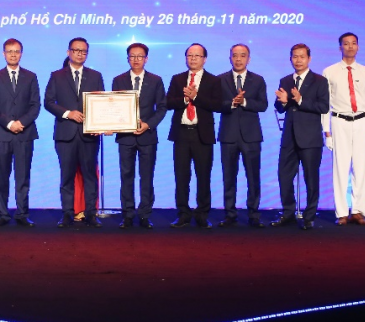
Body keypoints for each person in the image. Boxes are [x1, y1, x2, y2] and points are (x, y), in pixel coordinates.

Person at [44, 37, 104, 228]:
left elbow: (101, 104)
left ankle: (91, 214)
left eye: (84, 51)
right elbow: (48, 102)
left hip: (89, 135)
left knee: (90, 176)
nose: (80, 54)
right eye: (76, 50)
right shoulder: (57, 76)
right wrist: (68, 113)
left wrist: (99, 124)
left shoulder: (95, 76)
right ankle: (67, 213)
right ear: (68, 52)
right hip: (65, 134)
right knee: (67, 176)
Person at [322, 33, 365, 226]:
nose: (350, 47)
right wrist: (327, 132)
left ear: (358, 47)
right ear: (340, 47)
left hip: (361, 121)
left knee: (361, 169)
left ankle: (358, 211)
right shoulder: (329, 71)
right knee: (340, 168)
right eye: (346, 44)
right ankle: (341, 212)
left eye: (354, 43)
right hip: (339, 121)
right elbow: (325, 104)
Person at [272, 44, 329, 230]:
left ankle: (309, 216)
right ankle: (288, 213)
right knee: (284, 176)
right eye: (295, 57)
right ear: (290, 59)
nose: (298, 60)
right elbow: (279, 107)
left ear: (309, 59)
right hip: (289, 137)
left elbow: (323, 107)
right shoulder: (286, 80)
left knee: (311, 179)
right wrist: (282, 102)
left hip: (310, 138)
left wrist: (300, 100)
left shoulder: (319, 81)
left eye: (302, 57)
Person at [111, 43, 167, 229]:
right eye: (132, 56)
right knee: (126, 176)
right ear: (127, 58)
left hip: (147, 136)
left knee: (147, 176)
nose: (136, 59)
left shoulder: (156, 80)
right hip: (125, 137)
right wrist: (111, 125)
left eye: (140, 56)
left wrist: (148, 124)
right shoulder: (118, 80)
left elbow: (162, 107)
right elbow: (114, 107)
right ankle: (127, 214)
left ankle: (144, 215)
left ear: (146, 59)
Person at [166, 43, 222, 229]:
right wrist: (185, 99)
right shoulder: (177, 79)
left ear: (204, 59)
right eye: (190, 55)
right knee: (181, 176)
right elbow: (168, 102)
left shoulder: (213, 80)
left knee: (203, 176)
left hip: (202, 134)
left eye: (197, 56)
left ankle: (202, 214)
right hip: (181, 133)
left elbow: (217, 105)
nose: (193, 58)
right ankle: (183, 214)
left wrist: (196, 98)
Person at [0, 38, 41, 227]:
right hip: (2, 134)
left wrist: (21, 123)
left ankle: (22, 213)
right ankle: (2, 214)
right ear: (4, 54)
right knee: (2, 176)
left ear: (21, 54)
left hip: (25, 134)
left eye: (16, 51)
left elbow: (35, 106)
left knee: (23, 176)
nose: (13, 54)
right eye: (9, 51)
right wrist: (9, 123)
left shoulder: (31, 77)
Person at [217, 43, 268, 227]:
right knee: (228, 177)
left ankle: (254, 214)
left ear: (249, 59)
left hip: (251, 136)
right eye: (235, 55)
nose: (238, 59)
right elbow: (216, 104)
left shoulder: (258, 80)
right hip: (228, 135)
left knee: (253, 177)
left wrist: (244, 102)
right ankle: (230, 214)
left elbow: (263, 105)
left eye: (242, 55)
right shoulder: (220, 80)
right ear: (230, 58)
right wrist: (232, 103)